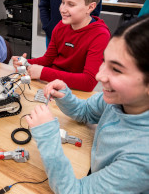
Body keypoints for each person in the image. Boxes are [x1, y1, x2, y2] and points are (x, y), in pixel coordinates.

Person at [25, 15, 149, 193]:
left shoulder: (141, 158)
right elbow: (86, 112)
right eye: (104, 62)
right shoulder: (120, 100)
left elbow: (74, 191)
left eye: (116, 69)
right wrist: (66, 96)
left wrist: (46, 136)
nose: (99, 76)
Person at [13, 0, 110, 92]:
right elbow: (48, 59)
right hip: (50, 86)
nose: (62, 9)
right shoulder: (61, 26)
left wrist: (43, 72)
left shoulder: (100, 35)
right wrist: (25, 62)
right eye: (63, 2)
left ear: (90, 7)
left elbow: (88, 82)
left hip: (74, 92)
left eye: (71, 5)